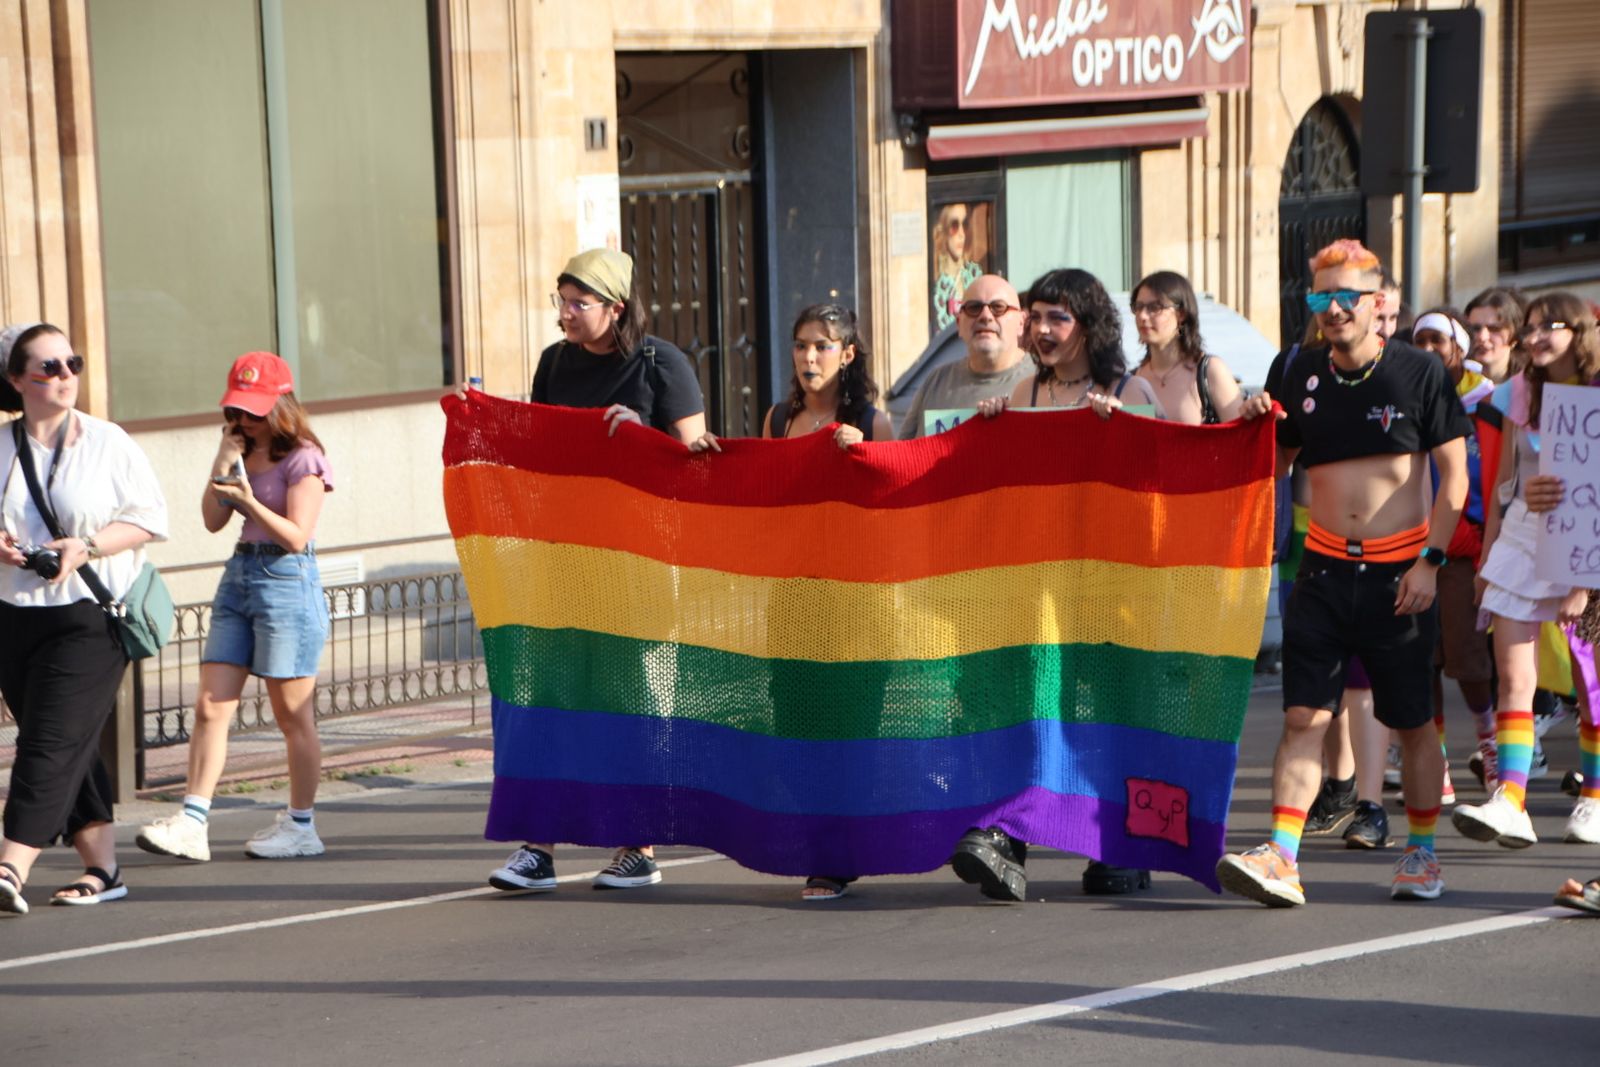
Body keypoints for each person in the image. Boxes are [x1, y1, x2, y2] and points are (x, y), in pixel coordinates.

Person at [1218, 239, 1470, 906]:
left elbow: (1456, 480)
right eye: (1320, 297)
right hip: (1325, 573)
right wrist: (1250, 421)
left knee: (1412, 723)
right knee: (1304, 716)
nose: (1332, 309)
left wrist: (1430, 562)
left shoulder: (1418, 375)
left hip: (1401, 578)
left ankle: (1421, 853)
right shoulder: (1297, 369)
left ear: (1378, 302)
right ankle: (1282, 853)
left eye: (1345, 296)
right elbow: (1269, 463)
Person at [487, 248, 707, 894]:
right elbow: (539, 449)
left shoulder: (660, 364)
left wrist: (644, 434)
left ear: (615, 307)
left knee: (626, 700)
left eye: (577, 303)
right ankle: (538, 847)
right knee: (550, 697)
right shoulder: (555, 363)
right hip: (565, 556)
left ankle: (636, 845)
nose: (564, 315)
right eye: (559, 301)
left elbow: (698, 460)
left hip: (638, 560)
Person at [959, 267, 1162, 901]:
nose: (1043, 331)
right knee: (1028, 710)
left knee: (1102, 718)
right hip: (1039, 589)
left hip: (1108, 589)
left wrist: (1122, 431)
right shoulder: (1024, 395)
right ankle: (1004, 840)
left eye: (1058, 319)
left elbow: (1156, 493)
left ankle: (1119, 847)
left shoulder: (1132, 391)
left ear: (1089, 325)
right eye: (1038, 317)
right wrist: (994, 427)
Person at [136, 352, 333, 863]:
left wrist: (249, 502)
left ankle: (302, 825)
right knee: (210, 706)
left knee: (292, 714)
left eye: (254, 411)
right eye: (237, 410)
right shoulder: (239, 452)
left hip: (286, 581)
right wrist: (223, 463)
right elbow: (209, 520)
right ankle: (193, 822)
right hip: (239, 576)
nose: (244, 420)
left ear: (281, 406)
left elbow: (297, 536)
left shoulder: (304, 456)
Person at [0, 322, 168, 914]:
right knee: (67, 743)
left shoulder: (108, 441)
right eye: (48, 367)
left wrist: (87, 546)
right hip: (15, 615)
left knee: (46, 743)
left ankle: (10, 866)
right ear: (16, 380)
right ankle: (103, 866)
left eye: (71, 363)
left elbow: (149, 518)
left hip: (90, 617)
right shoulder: (2, 446)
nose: (65, 376)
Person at [1452, 292, 1599, 849]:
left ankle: (1593, 799)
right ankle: (1510, 799)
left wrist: (1584, 583)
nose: (1535, 337)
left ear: (1579, 331)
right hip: (1522, 540)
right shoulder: (1518, 391)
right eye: (1531, 327)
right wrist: (1489, 559)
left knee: (1592, 686)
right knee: (1513, 677)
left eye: (1548, 327)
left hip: (1589, 549)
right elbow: (1505, 484)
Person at [756, 304, 891, 900]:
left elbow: (895, 504)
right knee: (794, 729)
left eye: (823, 346)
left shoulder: (873, 419)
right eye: (801, 345)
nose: (810, 357)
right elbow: (761, 493)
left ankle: (834, 858)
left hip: (856, 605)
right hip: (791, 597)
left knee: (849, 729)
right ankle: (821, 839)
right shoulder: (777, 418)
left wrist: (866, 455)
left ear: (848, 355)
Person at [1410, 309, 1496, 805]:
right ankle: (1434, 757)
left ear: (1458, 349)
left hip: (1465, 551)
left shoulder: (1485, 404)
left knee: (1467, 657)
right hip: (1410, 548)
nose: (1426, 349)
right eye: (1418, 339)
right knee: (1421, 659)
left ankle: (1489, 746)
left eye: (1436, 340)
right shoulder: (1404, 398)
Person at [897, 274, 1035, 441]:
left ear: (1021, 323)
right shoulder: (935, 382)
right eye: (973, 308)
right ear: (959, 324)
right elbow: (900, 455)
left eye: (998, 307)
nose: (985, 316)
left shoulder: (1045, 381)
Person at [1130, 270, 1242, 424]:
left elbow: (1242, 437)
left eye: (1154, 307)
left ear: (1181, 314)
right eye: (1138, 306)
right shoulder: (1133, 380)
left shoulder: (1209, 371)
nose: (1142, 316)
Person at [931, 204, 983, 331]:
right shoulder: (937, 282)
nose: (961, 234)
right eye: (954, 226)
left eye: (965, 225)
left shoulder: (974, 274)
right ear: (943, 230)